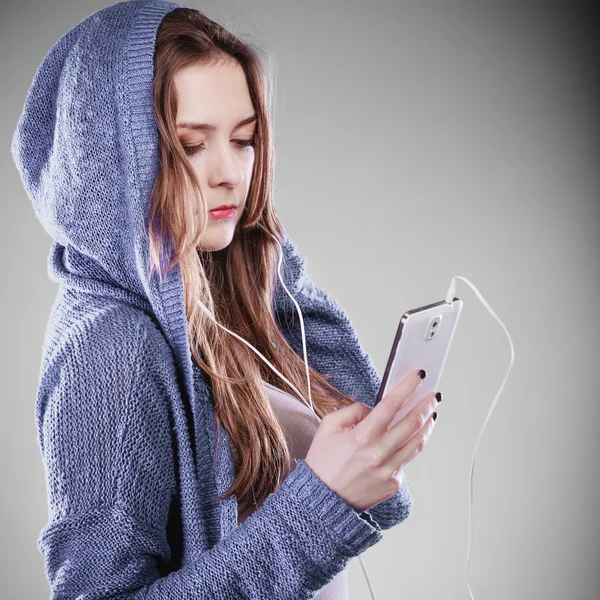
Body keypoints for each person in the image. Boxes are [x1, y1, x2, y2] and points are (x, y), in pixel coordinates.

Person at [11, 1, 439, 597]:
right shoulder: (113, 350)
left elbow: (381, 499)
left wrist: (267, 255)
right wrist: (319, 505)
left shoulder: (224, 301)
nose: (230, 174)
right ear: (109, 165)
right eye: (191, 146)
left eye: (244, 140)